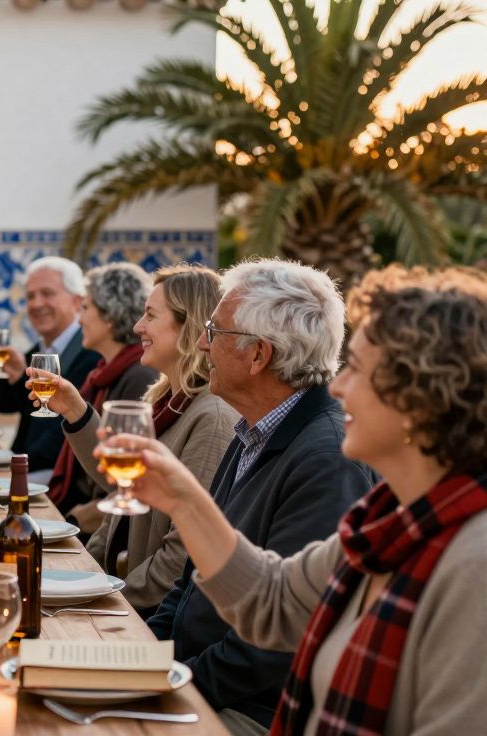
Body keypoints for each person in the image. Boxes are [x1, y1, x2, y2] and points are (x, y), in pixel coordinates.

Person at [113, 265, 487, 736]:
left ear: (421, 403)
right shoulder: (388, 523)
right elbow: (272, 599)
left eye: (359, 370)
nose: (338, 385)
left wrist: (168, 688)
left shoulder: (471, 561)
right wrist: (184, 500)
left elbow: (267, 645)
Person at [141, 258, 377, 735]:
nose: (203, 343)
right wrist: (138, 655)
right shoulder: (254, 428)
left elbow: (275, 645)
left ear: (258, 356)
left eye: (215, 331)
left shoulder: (328, 459)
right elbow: (191, 582)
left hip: (255, 712)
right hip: (196, 681)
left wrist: (171, 688)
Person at [28, 264, 237, 614]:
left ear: (189, 325)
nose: (138, 327)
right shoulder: (163, 403)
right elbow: (119, 504)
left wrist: (101, 600)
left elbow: (179, 559)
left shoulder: (211, 419)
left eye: (151, 316)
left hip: (142, 618)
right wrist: (79, 578)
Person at [42, 262, 157, 527]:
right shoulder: (104, 372)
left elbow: (121, 477)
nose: (79, 318)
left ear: (110, 316)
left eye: (85, 308)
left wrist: (71, 521)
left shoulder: (138, 376)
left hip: (96, 525)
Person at [0, 256, 101, 482]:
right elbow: (6, 403)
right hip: (26, 471)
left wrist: (14, 473)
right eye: (30, 296)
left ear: (77, 302)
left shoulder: (91, 353)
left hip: (59, 481)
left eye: (47, 294)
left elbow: (56, 437)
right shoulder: (39, 350)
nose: (37, 303)